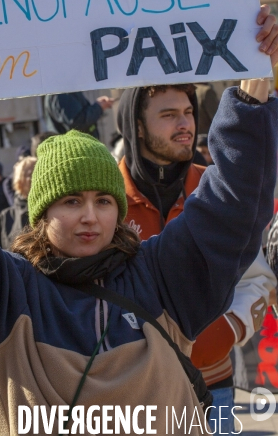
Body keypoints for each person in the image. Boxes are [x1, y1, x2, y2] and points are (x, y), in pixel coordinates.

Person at [0, 9, 277, 435]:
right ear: (41, 212)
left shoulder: (159, 276)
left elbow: (232, 206)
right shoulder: (3, 296)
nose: (90, 216)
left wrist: (253, 92)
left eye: (104, 200)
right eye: (70, 201)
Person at [116, 47, 277, 432]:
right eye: (169, 115)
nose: (184, 124)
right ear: (137, 127)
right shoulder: (105, 200)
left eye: (188, 112)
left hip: (213, 386)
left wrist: (227, 330)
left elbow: (257, 276)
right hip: (134, 393)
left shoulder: (215, 185)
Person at [0, 156, 37, 250]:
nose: (37, 178)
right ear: (20, 179)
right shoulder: (5, 217)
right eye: (32, 174)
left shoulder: (50, 213)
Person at [44, 91, 114, 139]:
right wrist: (98, 107)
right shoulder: (61, 93)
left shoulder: (66, 91)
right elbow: (77, 123)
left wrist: (98, 106)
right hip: (76, 152)